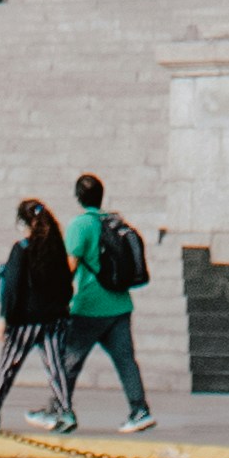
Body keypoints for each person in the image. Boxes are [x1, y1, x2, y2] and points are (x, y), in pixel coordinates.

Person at [60, 170, 156, 430]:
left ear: (78, 197)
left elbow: (69, 266)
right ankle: (140, 410)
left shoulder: (80, 225)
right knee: (126, 361)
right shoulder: (115, 222)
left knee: (68, 361)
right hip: (120, 305)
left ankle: (59, 410)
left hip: (90, 306)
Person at [0, 198, 75, 431]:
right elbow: (67, 285)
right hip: (54, 319)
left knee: (7, 366)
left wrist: (3, 318)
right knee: (55, 367)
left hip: (25, 322)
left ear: (23, 223)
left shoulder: (21, 250)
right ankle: (65, 412)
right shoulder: (56, 249)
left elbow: (11, 288)